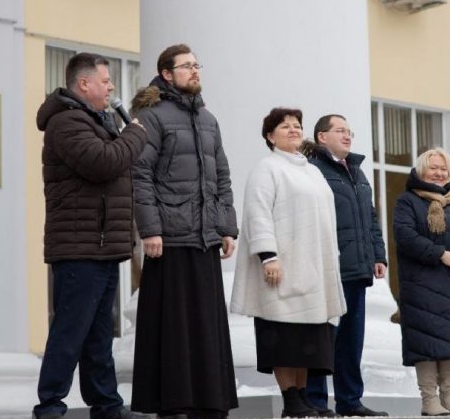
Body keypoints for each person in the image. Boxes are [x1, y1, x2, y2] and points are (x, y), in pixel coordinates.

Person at [32, 52, 147, 419]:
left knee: (99, 336)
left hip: (102, 245)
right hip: (79, 246)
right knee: (70, 331)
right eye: (106, 81)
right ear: (84, 84)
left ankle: (106, 404)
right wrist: (134, 135)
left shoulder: (97, 121)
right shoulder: (66, 123)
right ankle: (50, 405)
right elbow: (104, 163)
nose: (112, 88)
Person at [129, 44, 239, 418]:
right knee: (172, 328)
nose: (195, 71)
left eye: (196, 65)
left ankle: (210, 402)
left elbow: (222, 176)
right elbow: (140, 175)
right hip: (170, 240)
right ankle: (171, 403)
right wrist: (150, 230)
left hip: (205, 238)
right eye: (186, 66)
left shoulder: (208, 119)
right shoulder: (152, 117)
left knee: (206, 326)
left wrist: (227, 227)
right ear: (166, 74)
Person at [230, 107, 347, 418]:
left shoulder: (312, 171)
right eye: (285, 127)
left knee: (307, 340)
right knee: (284, 338)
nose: (294, 130)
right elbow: (258, 214)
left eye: (297, 126)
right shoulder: (266, 169)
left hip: (311, 269)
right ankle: (290, 400)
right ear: (270, 136)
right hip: (280, 268)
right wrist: (268, 256)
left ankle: (304, 398)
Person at [304, 114, 388, 417]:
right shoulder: (313, 170)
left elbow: (371, 217)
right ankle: (314, 400)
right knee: (325, 339)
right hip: (329, 269)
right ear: (321, 137)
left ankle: (350, 401)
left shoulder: (356, 170)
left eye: (349, 131)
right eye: (340, 130)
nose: (347, 135)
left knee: (352, 340)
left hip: (358, 268)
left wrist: (378, 255)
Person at [393, 148, 450, 416]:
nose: (440, 173)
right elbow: (405, 236)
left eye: (444, 168)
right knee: (427, 342)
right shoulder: (408, 201)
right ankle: (429, 399)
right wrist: (440, 254)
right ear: (421, 171)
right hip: (423, 284)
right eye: (433, 168)